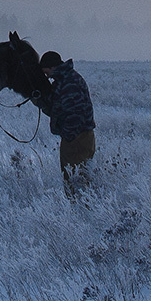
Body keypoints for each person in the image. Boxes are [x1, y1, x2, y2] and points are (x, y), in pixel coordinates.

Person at [35, 50, 96, 196]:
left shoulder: (69, 83)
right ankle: (81, 210)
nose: (46, 76)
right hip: (78, 137)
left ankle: (80, 212)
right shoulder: (63, 80)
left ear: (53, 67)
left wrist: (68, 136)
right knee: (76, 180)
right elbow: (56, 108)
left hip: (78, 138)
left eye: (46, 72)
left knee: (76, 182)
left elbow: (75, 114)